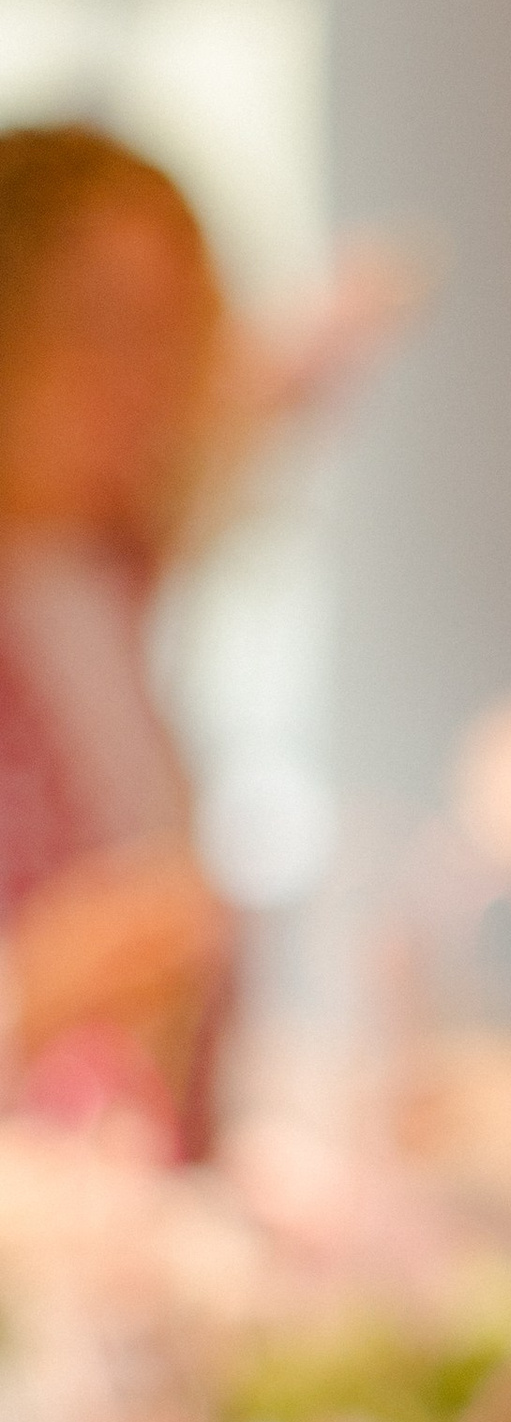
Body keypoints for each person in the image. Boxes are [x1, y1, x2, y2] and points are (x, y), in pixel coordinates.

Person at [0, 128, 237, 1136]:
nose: (138, 381)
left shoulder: (108, 602)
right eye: (94, 324)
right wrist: (37, 987)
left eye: (170, 332)